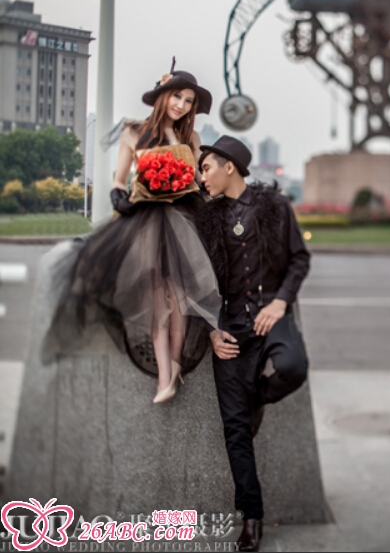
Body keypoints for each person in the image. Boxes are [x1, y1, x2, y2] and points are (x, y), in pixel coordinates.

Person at [43, 70, 221, 403]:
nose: (182, 105)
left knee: (179, 298)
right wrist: (117, 196)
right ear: (162, 95)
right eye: (177, 96)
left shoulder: (191, 138)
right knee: (155, 299)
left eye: (189, 101)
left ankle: (173, 368)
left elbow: (199, 178)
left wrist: (212, 187)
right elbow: (119, 178)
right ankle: (165, 376)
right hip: (146, 220)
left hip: (183, 218)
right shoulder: (133, 131)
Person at [195, 135, 310, 553]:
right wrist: (211, 330)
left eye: (206, 167)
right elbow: (196, 282)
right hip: (230, 325)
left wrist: (280, 303)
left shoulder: (274, 206)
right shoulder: (207, 218)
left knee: (293, 367)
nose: (201, 177)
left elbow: (299, 258)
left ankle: (257, 396)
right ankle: (252, 517)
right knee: (235, 428)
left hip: (270, 316)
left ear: (229, 166)